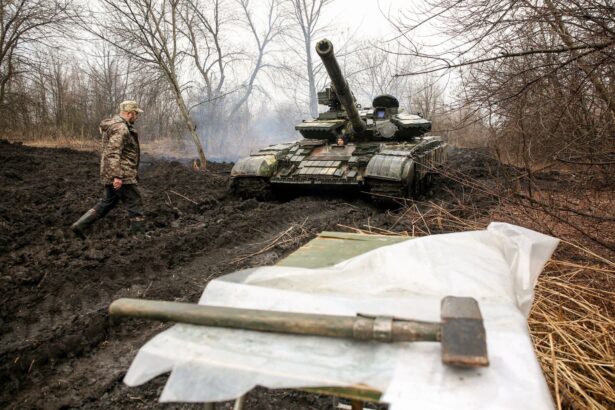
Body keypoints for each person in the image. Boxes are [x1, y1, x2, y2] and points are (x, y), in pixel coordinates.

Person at [71, 100, 145, 239]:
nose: (137, 116)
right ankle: (140, 237)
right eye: (136, 114)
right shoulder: (121, 129)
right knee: (135, 202)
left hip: (111, 172)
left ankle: (80, 225)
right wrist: (117, 176)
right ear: (130, 113)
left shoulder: (114, 126)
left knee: (108, 202)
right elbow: (113, 152)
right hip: (122, 174)